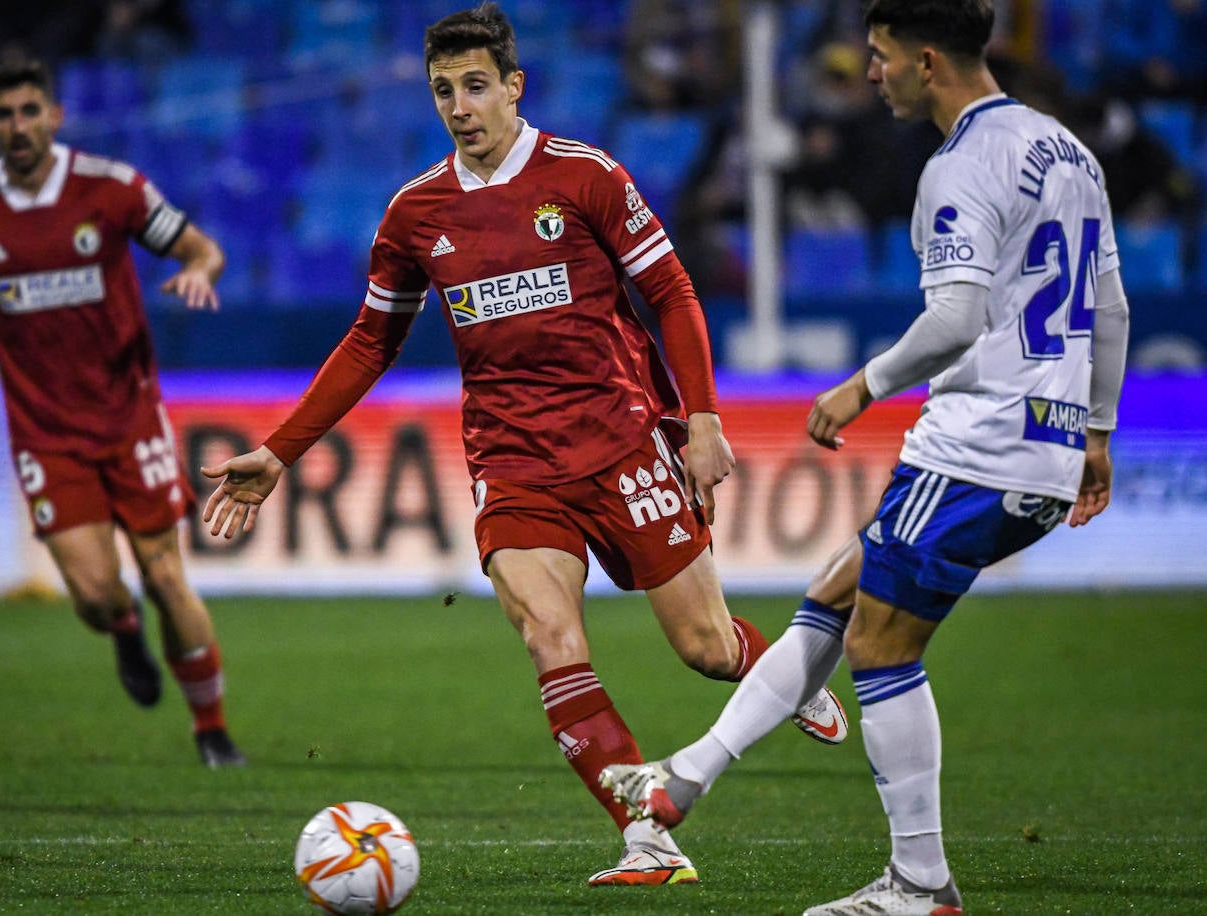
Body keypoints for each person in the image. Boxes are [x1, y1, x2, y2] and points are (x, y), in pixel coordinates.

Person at [200, 2, 846, 885]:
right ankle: (645, 836)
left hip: (622, 445)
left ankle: (775, 671)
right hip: (511, 462)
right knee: (550, 636)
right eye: (442, 92)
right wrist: (279, 451)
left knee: (703, 648)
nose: (459, 107)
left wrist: (701, 420)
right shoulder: (413, 214)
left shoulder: (585, 177)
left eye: (474, 87)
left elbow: (675, 294)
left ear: (514, 87)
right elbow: (369, 341)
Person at [600, 1, 1131, 913]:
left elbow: (958, 316)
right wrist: (1095, 433)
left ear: (928, 60)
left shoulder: (963, 162)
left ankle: (920, 883)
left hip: (978, 445)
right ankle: (686, 777)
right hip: (1041, 441)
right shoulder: (1067, 150)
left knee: (880, 643)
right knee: (838, 594)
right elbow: (1111, 304)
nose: (871, 72)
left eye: (881, 57)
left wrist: (862, 385)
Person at [0, 51, 246, 770]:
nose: (18, 126)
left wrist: (199, 270)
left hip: (129, 416)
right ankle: (121, 631)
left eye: (30, 111)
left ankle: (211, 730)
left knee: (166, 575)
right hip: (46, 435)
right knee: (90, 592)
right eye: (3, 115)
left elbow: (203, 249)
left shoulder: (111, 190)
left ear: (54, 115)